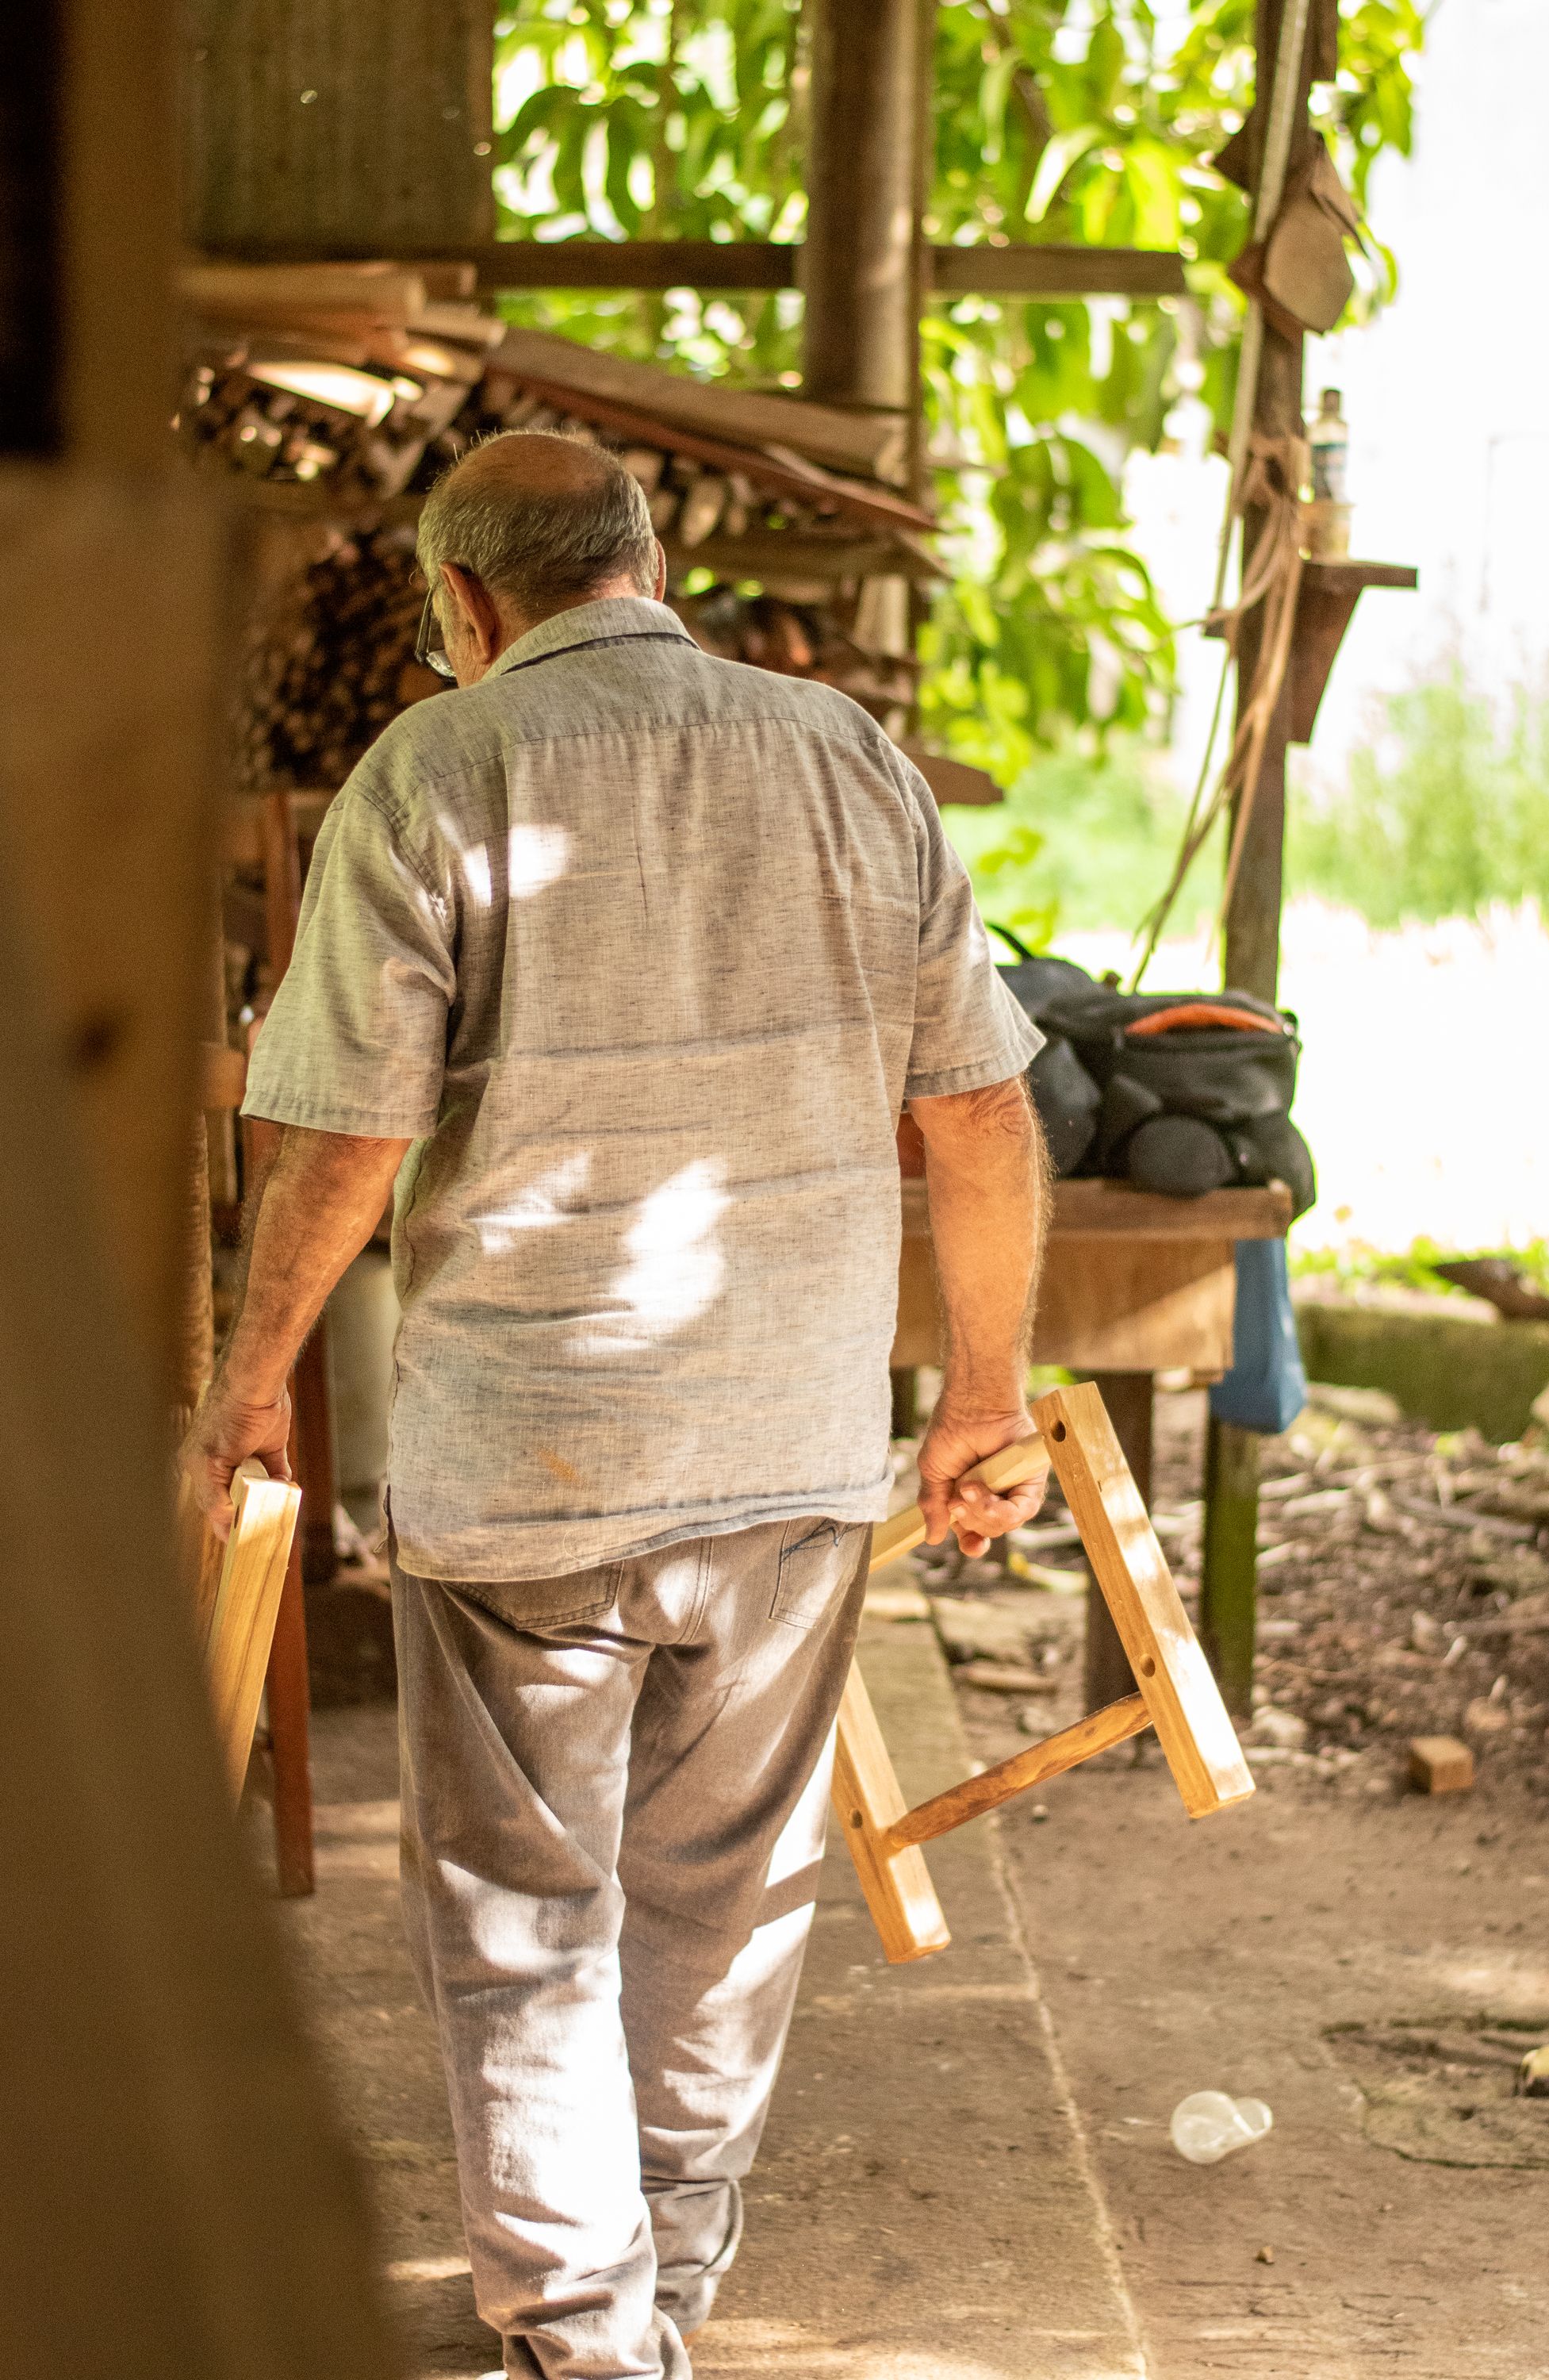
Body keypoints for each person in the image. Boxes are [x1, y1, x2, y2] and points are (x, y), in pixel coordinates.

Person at [182, 430, 1049, 2380]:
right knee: (723, 1908)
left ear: (466, 607)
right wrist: (975, 1397)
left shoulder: (436, 768)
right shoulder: (845, 760)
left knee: (524, 1928)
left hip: (534, 1472)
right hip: (788, 1454)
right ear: (648, 562)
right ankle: (669, 2277)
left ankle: (589, 2338)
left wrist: (249, 1391)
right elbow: (980, 1111)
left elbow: (340, 1140)